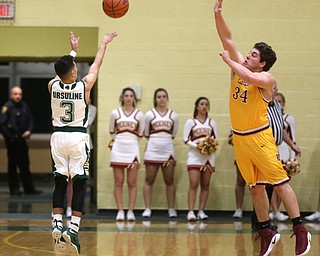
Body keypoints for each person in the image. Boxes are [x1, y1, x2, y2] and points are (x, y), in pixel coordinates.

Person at [214, 0, 311, 255]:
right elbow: (228, 39)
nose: (248, 55)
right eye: (250, 52)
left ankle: (300, 229)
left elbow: (247, 76)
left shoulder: (266, 79)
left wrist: (230, 64)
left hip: (260, 138)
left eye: (254, 55)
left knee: (279, 183)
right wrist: (218, 14)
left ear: (263, 63)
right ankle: (266, 231)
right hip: (241, 139)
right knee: (255, 188)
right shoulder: (241, 66)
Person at [49, 31, 117, 255]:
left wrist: (72, 52)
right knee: (79, 183)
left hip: (58, 138)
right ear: (73, 71)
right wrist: (104, 43)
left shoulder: (52, 86)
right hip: (78, 138)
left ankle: (57, 223)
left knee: (60, 182)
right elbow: (97, 64)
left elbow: (61, 73)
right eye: (75, 67)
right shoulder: (84, 86)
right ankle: (73, 230)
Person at [142, 88, 179, 218]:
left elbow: (174, 133)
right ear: (155, 99)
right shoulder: (149, 114)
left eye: (164, 96)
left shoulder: (173, 115)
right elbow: (146, 133)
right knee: (149, 179)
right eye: (159, 97)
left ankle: (171, 209)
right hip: (152, 149)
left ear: (167, 99)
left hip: (168, 149)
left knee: (169, 180)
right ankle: (147, 208)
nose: (161, 99)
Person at [109, 87, 144, 222]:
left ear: (134, 98)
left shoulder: (139, 115)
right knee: (118, 182)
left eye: (131, 96)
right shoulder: (115, 113)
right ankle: (120, 211)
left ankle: (130, 211)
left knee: (132, 182)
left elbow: (140, 135)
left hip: (133, 148)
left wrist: (130, 139)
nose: (129, 98)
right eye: (126, 95)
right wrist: (120, 139)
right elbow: (112, 131)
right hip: (118, 148)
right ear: (122, 98)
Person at [0, 86, 42, 196]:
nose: (18, 96)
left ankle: (29, 188)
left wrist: (29, 131)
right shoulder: (7, 107)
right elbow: (2, 125)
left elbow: (30, 120)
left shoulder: (24, 106)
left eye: (20, 94)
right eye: (15, 94)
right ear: (11, 95)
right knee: (13, 165)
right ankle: (14, 189)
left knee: (25, 164)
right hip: (12, 140)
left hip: (22, 139)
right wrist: (10, 137)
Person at [183, 97, 218, 221]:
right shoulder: (190, 122)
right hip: (195, 156)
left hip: (208, 157)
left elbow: (216, 139)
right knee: (193, 183)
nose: (204, 106)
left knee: (206, 184)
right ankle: (191, 211)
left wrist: (210, 146)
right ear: (197, 107)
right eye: (201, 104)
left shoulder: (212, 123)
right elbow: (185, 139)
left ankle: (201, 211)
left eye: (206, 104)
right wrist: (198, 146)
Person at [269, 92, 299, 221]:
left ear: (284, 103)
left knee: (282, 184)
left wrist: (293, 154)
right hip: (272, 151)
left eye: (280, 102)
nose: (278, 104)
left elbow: (292, 137)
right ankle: (274, 211)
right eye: (276, 101)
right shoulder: (267, 115)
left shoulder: (289, 119)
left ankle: (277, 211)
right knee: (273, 184)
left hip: (285, 152)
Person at [66, 101, 96, 218]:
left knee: (81, 178)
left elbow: (85, 124)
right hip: (69, 143)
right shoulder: (71, 103)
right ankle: (65, 206)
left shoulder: (92, 108)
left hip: (84, 145)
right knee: (65, 177)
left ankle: (77, 207)